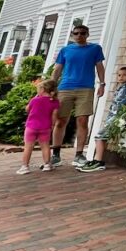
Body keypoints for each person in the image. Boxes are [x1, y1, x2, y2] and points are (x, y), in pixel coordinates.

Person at [50, 24, 105, 167]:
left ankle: (79, 155)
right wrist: (51, 87)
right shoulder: (65, 50)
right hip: (65, 88)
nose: (79, 35)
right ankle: (55, 154)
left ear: (87, 34)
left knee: (82, 120)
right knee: (60, 121)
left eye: (82, 33)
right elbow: (57, 70)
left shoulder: (95, 49)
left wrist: (102, 84)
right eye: (76, 33)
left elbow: (99, 66)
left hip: (85, 89)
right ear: (72, 35)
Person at [78, 66, 126, 173]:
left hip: (118, 118)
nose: (121, 77)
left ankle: (98, 161)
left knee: (99, 136)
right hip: (111, 117)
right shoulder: (119, 87)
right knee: (101, 137)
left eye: (124, 75)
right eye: (119, 75)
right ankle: (97, 160)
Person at [17, 79, 59, 174]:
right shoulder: (55, 102)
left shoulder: (35, 100)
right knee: (45, 146)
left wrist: (35, 98)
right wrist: (52, 125)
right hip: (45, 127)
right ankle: (47, 165)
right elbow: (54, 115)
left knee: (28, 146)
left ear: (42, 90)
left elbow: (27, 109)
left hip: (31, 127)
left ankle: (25, 167)